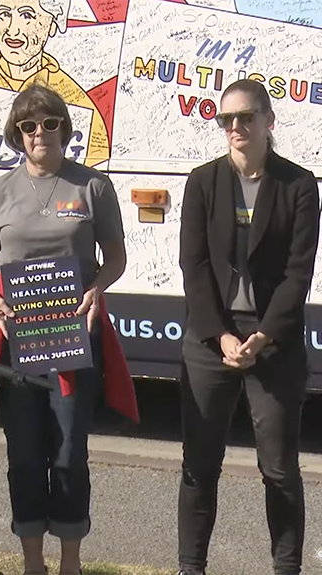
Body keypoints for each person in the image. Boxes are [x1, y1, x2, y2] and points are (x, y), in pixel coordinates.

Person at [0, 83, 138, 575]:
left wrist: (96, 289)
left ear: (65, 127)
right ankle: (32, 563)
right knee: (23, 452)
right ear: (16, 135)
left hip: (72, 339)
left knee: (67, 452)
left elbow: (117, 257)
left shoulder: (92, 186)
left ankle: (70, 563)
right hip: (17, 344)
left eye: (49, 123)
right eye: (28, 125)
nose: (39, 133)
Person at [176, 79, 320, 575]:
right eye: (226, 120)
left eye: (246, 118)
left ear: (268, 123)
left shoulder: (298, 186)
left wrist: (262, 337)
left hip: (273, 341)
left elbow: (297, 273)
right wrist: (223, 337)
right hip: (210, 337)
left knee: (279, 470)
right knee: (199, 465)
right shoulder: (203, 182)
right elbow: (192, 266)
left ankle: (286, 569)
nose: (235, 127)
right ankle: (190, 567)